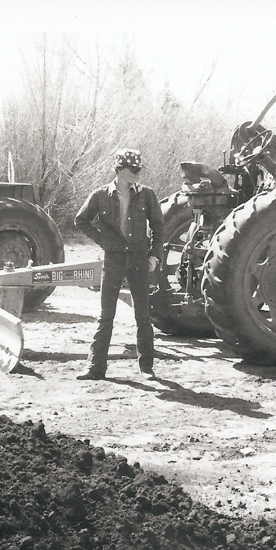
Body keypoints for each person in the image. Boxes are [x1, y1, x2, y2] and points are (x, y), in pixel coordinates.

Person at [74, 149, 164, 381]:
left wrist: (154, 256)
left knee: (143, 315)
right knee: (106, 315)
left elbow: (158, 227)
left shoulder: (147, 195)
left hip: (138, 259)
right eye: (132, 170)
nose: (136, 174)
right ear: (119, 170)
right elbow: (81, 220)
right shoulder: (100, 195)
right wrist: (104, 241)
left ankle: (147, 368)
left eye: (138, 170)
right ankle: (95, 368)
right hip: (113, 260)